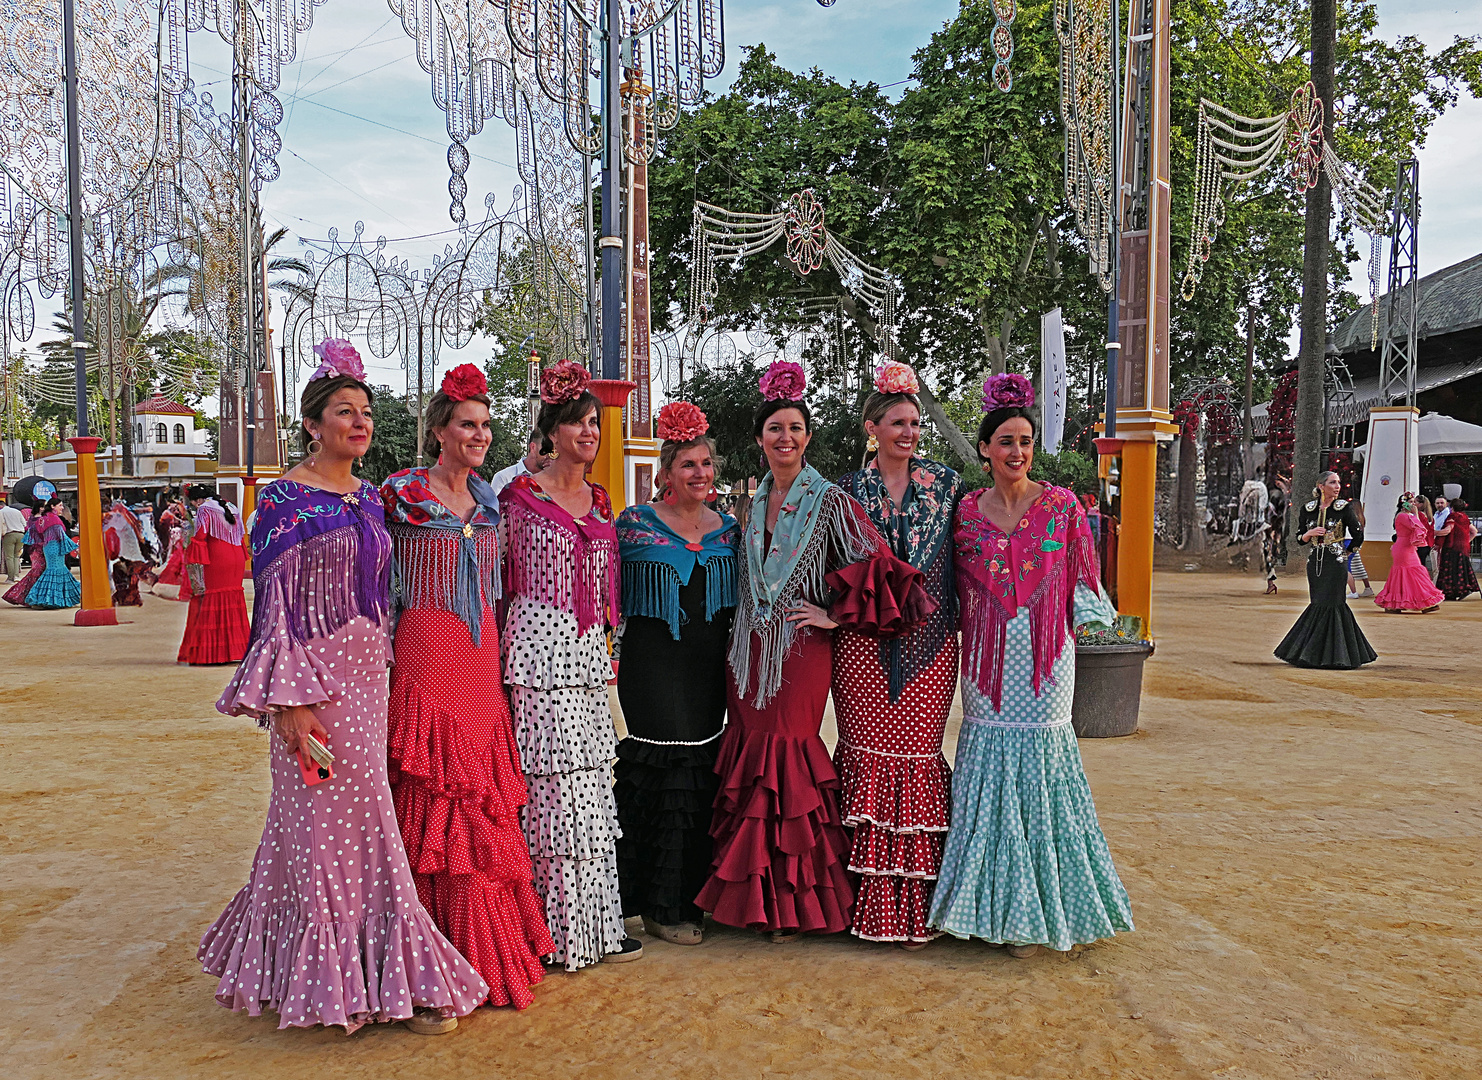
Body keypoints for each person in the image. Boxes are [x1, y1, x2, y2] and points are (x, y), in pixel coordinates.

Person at [201, 338, 487, 1035]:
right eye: (343, 411)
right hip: (315, 685)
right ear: (312, 423)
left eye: (365, 412)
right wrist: (291, 706)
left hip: (371, 676)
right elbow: (272, 610)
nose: (359, 423)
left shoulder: (367, 496)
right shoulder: (282, 500)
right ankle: (365, 983)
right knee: (332, 825)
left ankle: (337, 976)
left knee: (338, 825)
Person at [694, 360, 928, 942]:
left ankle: (789, 906)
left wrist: (836, 614)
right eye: (775, 428)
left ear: (809, 437)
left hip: (802, 650)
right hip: (746, 652)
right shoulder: (746, 507)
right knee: (748, 753)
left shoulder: (829, 500)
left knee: (788, 759)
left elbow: (878, 566)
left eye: (795, 428)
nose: (786, 437)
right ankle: (746, 900)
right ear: (759, 438)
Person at [928, 374, 1133, 958]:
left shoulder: (1063, 506)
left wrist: (1099, 624)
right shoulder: (963, 513)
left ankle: (1039, 909)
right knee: (987, 759)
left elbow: (1084, 583)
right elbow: (944, 588)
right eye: (1006, 441)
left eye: (1025, 441)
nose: (1017, 452)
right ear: (986, 448)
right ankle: (984, 906)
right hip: (987, 661)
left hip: (1047, 661)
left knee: (1042, 762)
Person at [380, 364, 556, 1009]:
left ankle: (486, 947)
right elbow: (375, 574)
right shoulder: (399, 493)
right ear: (438, 431)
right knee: (434, 783)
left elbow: (504, 584)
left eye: (484, 425)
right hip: (425, 645)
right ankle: (427, 955)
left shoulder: (489, 500)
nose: (478, 434)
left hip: (481, 648)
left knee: (481, 792)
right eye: (467, 425)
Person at [500, 360, 642, 968]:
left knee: (590, 785)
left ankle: (595, 925)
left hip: (586, 656)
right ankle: (546, 931)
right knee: (549, 787)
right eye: (578, 423)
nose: (589, 432)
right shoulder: (516, 500)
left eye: (595, 423)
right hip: (535, 653)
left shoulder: (604, 501)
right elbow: (494, 578)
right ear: (551, 430)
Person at [832, 362, 962, 950]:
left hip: (932, 648)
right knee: (866, 756)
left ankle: (915, 909)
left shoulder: (949, 485)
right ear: (872, 428)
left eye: (914, 422)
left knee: (916, 758)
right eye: (897, 423)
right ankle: (859, 908)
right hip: (859, 647)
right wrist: (823, 615)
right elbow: (820, 565)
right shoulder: (843, 494)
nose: (908, 432)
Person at [612, 402, 738, 947]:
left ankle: (684, 899)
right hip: (651, 666)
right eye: (688, 464)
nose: (700, 474)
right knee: (660, 773)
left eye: (706, 464)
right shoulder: (633, 525)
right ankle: (649, 905)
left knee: (697, 779)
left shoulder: (731, 531)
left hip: (708, 670)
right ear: (664, 473)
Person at [1274, 471, 1377, 668]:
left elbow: (1358, 535)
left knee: (1335, 602)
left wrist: (1345, 552)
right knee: (1318, 602)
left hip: (1336, 563)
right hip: (1315, 564)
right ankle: (1313, 653)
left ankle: (1339, 654)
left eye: (1338, 482)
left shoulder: (1343, 508)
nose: (1337, 486)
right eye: (1332, 482)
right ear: (1321, 486)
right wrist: (1309, 534)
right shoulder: (1308, 509)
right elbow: (1298, 538)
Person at [177, 485, 251, 664]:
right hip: (236, 558)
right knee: (233, 598)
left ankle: (215, 653)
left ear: (197, 500)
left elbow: (201, 535)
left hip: (218, 557)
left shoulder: (204, 509)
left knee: (214, 597)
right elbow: (241, 535)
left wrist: (191, 554)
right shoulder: (231, 507)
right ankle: (237, 650)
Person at [3, 496, 80, 609]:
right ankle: (43, 599)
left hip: (47, 547)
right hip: (55, 548)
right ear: (53, 506)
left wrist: (40, 543)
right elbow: (61, 536)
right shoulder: (54, 519)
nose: (62, 508)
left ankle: (46, 598)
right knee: (56, 571)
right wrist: (72, 546)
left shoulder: (42, 519)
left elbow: (31, 533)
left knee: (55, 571)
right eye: (60, 505)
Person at [1373, 493, 1443, 614]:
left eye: (1414, 502)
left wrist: (1415, 514)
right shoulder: (1402, 516)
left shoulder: (1407, 516)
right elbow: (1418, 527)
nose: (1414, 504)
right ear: (1404, 504)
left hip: (1407, 548)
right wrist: (1416, 514)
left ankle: (1421, 602)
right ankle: (1397, 603)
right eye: (1411, 502)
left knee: (1413, 573)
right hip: (1403, 548)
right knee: (1408, 573)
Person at [102, 501, 152, 606]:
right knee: (131, 576)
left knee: (128, 574)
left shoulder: (117, 516)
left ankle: (127, 597)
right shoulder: (126, 516)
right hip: (131, 552)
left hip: (128, 553)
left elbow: (109, 528)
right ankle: (129, 597)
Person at [1435, 497, 1479, 601]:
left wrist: (1431, 533)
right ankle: (1464, 589)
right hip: (1463, 547)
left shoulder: (1453, 516)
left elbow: (1447, 531)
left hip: (1451, 547)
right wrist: (1465, 541)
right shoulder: (1465, 517)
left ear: (1452, 507)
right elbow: (1474, 531)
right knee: (1462, 569)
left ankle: (1451, 592)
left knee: (1451, 570)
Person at [489, 428, 546, 499]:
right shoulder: (503, 478)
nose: (551, 455)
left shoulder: (556, 480)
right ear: (533, 447)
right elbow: (496, 508)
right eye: (547, 449)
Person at [1263, 475, 1290, 595]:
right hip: (1274, 528)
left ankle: (1271, 583)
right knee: (1269, 554)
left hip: (1273, 529)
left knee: (1269, 554)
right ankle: (1270, 582)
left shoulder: (1278, 495)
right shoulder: (1278, 495)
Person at [1345, 500, 1373, 597]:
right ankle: (1367, 587)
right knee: (1358, 565)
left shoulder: (1351, 517)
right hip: (1356, 542)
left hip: (1348, 541)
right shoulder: (1361, 518)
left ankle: (1353, 591)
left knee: (1346, 566)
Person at [1, 498, 26, 581]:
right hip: (20, 535)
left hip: (9, 535)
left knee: (9, 557)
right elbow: (24, 523)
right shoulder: (17, 511)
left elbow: (2, 524)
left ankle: (10, 578)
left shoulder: (1, 512)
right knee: (16, 556)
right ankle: (16, 576)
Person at [1414, 494, 1436, 578]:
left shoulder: (1419, 515)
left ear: (1421, 504)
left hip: (1421, 543)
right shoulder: (1429, 516)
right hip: (1427, 543)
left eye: (1415, 502)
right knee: (1422, 563)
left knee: (1419, 564)